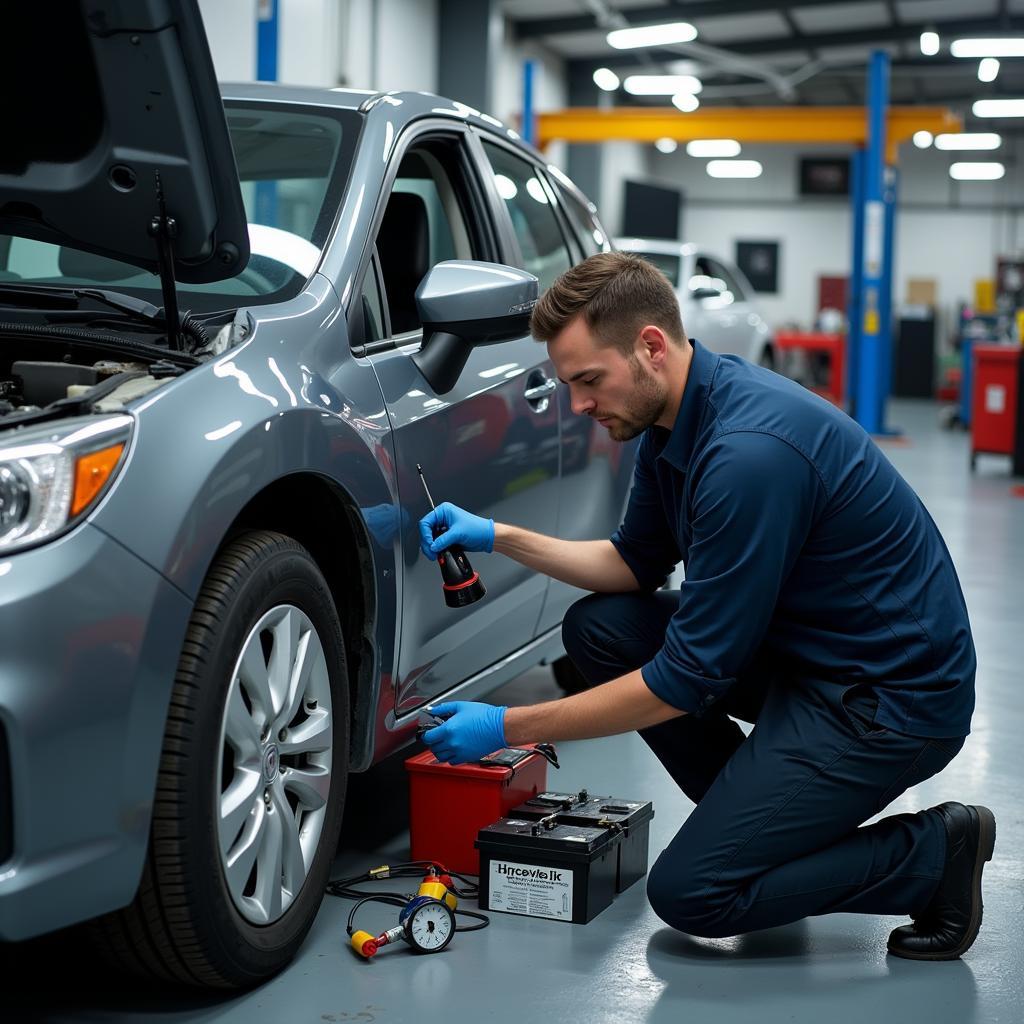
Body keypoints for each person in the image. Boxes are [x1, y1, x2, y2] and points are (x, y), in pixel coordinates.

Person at [418, 251, 993, 961]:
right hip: (811, 657)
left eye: (588, 381)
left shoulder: (747, 456)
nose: (579, 405)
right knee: (600, 630)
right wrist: (496, 537)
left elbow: (684, 681)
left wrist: (507, 723)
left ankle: (935, 854)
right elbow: (632, 565)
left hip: (889, 700)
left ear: (650, 346)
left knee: (695, 893)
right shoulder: (672, 419)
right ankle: (770, 831)